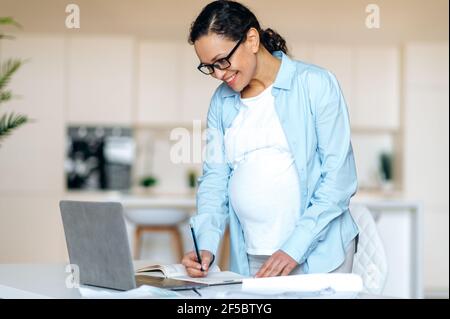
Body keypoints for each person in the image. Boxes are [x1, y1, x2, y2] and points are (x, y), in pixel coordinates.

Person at [182, 0, 359, 278]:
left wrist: (294, 247)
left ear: (251, 39)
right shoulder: (222, 102)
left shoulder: (315, 84)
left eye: (222, 61)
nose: (218, 73)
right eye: (209, 67)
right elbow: (215, 179)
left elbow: (338, 180)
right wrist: (206, 244)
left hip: (319, 253)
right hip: (253, 254)